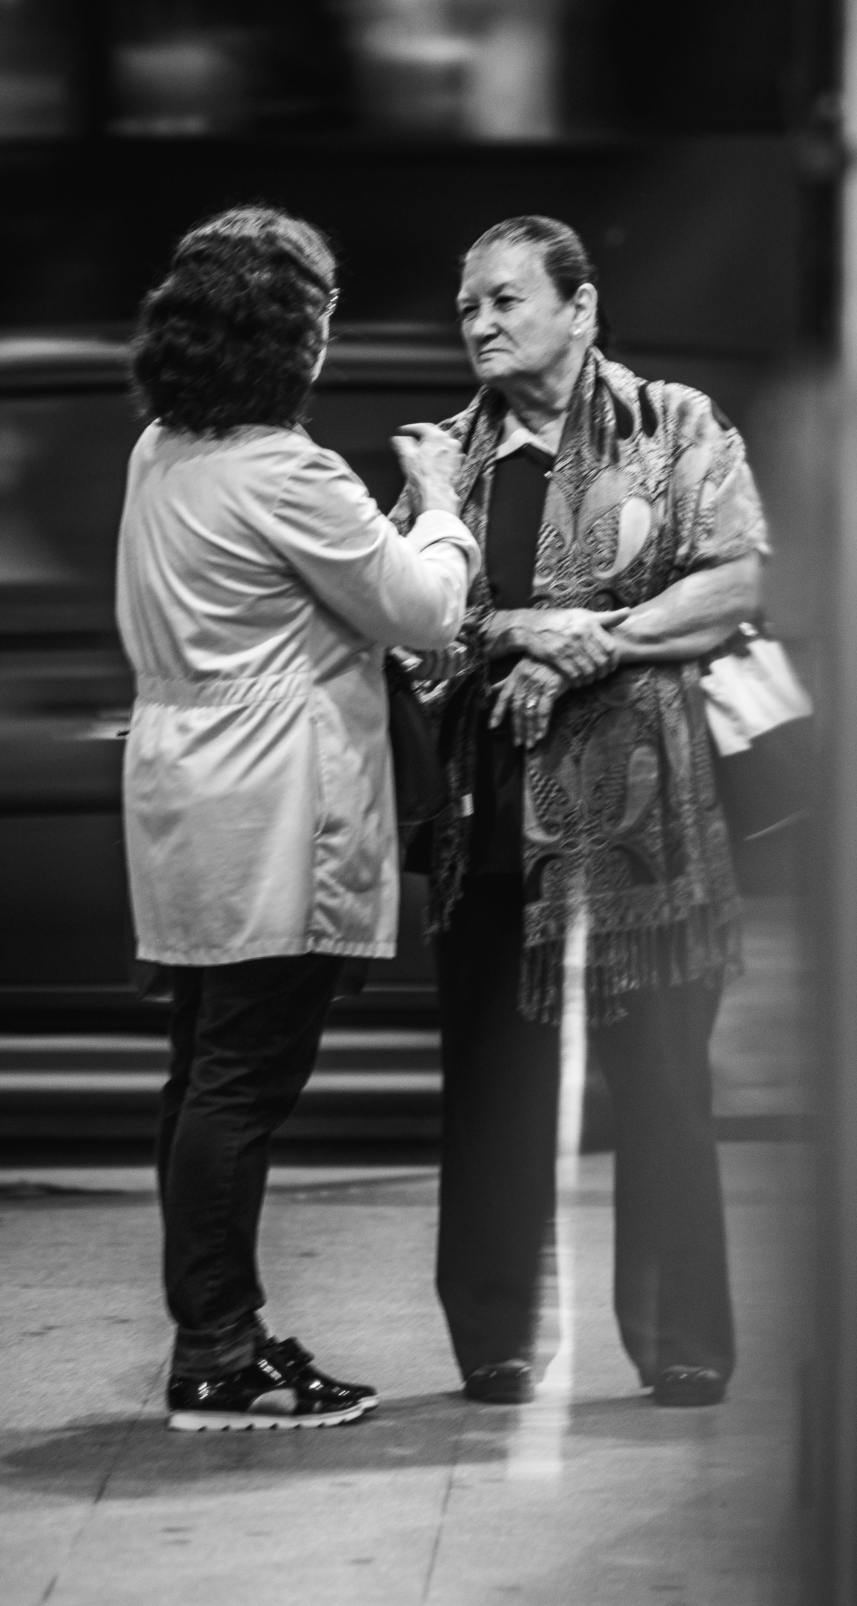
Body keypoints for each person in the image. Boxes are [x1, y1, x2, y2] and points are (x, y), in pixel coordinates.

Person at [118, 207, 477, 1432]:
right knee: (241, 1087)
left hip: (184, 792)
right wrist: (434, 498)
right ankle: (215, 1353)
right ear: (291, 341)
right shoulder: (291, 472)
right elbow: (422, 608)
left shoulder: (162, 449)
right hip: (275, 800)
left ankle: (214, 1333)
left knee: (199, 1078)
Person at [406, 214, 766, 1408]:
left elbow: (732, 581)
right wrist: (511, 632)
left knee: (663, 1086)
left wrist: (590, 642)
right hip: (492, 818)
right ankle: (496, 1339)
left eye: (505, 299)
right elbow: (417, 624)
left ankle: (681, 1338)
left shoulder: (675, 424)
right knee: (495, 1092)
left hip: (643, 829)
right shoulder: (444, 462)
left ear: (581, 305)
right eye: (468, 307)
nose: (481, 324)